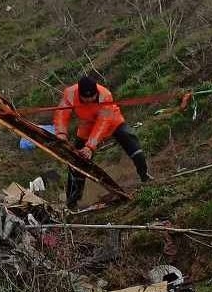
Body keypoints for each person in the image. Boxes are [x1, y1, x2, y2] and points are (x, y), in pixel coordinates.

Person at [54, 77, 153, 208]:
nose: (89, 100)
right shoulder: (70, 93)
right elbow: (62, 114)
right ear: (79, 94)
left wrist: (90, 147)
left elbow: (102, 123)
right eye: (85, 98)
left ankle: (145, 176)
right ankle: (72, 201)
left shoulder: (105, 96)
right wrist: (61, 133)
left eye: (92, 97)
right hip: (87, 126)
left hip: (112, 121)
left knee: (131, 140)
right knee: (76, 161)